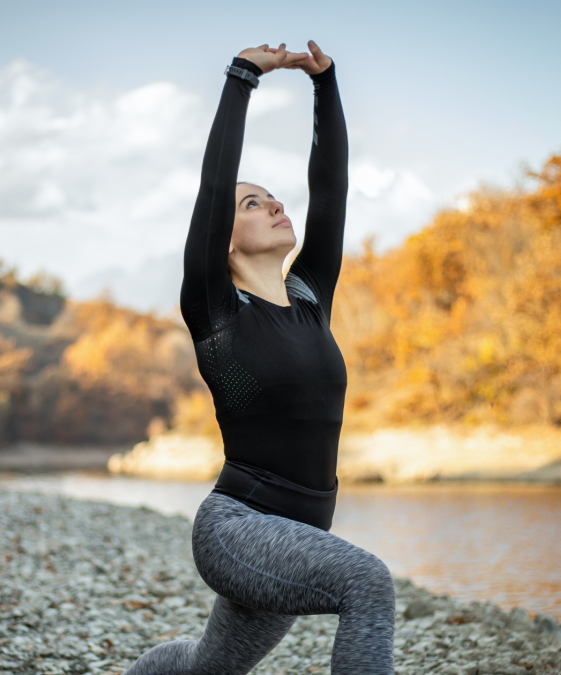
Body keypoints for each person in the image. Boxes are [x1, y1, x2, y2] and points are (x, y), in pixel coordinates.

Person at [121, 42, 396, 675]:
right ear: (223, 239)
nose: (275, 204)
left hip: (295, 538)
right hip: (236, 528)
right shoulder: (216, 310)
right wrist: (243, 79)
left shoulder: (308, 301)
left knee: (205, 667)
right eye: (253, 204)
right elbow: (214, 186)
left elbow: (331, 190)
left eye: (273, 197)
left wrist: (326, 88)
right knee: (368, 584)